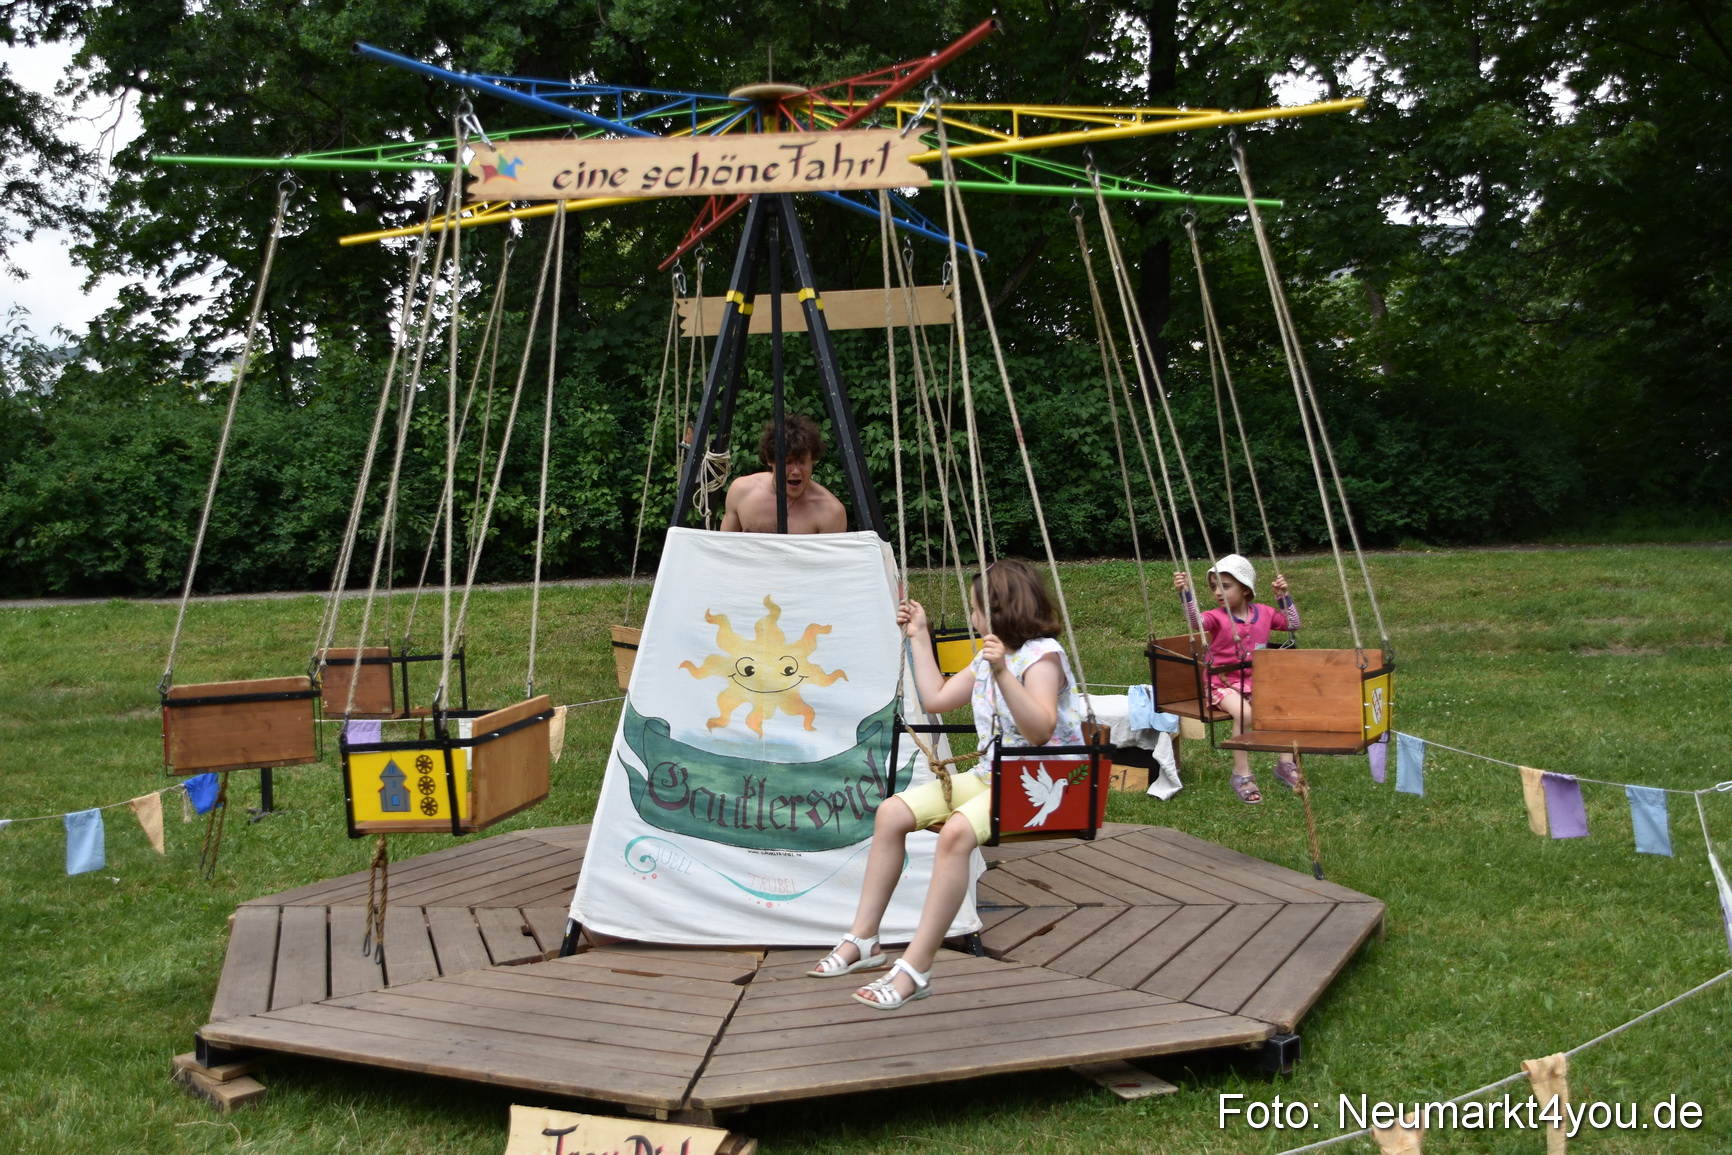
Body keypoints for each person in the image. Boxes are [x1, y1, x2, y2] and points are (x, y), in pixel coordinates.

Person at [806, 559, 1083, 1009]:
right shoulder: (988, 655)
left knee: (955, 833)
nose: (972, 618)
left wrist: (1003, 675)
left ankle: (916, 968)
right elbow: (936, 697)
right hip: (994, 776)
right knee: (891, 812)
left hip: (1048, 782)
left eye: (974, 609)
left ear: (996, 609)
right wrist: (919, 634)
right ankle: (865, 938)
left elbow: (1039, 729)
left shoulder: (1043, 656)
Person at [1172, 553, 1302, 805]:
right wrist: (1185, 594)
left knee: (1285, 707)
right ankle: (1241, 774)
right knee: (1244, 714)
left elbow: (1293, 624)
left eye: (1225, 586)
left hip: (1256, 682)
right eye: (1213, 587)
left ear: (1245, 588)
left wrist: (1282, 596)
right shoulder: (1217, 617)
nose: (1218, 592)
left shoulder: (1263, 613)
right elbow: (1194, 622)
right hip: (1222, 682)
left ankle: (1285, 763)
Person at [719, 414, 847, 533]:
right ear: (770, 460)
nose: (796, 471)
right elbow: (723, 549)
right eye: (788, 462)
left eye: (802, 462)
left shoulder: (830, 512)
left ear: (813, 460)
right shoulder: (742, 491)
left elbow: (830, 558)